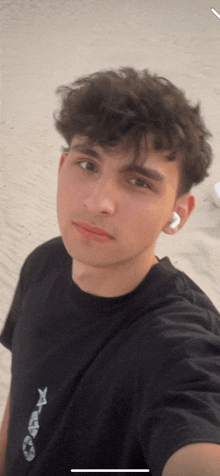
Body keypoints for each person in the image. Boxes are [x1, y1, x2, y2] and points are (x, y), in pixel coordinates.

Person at [0, 66, 220, 476]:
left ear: (178, 213)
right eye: (87, 165)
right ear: (62, 165)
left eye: (138, 182)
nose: (99, 202)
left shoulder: (180, 346)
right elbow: (23, 399)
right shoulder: (45, 262)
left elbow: (197, 430)